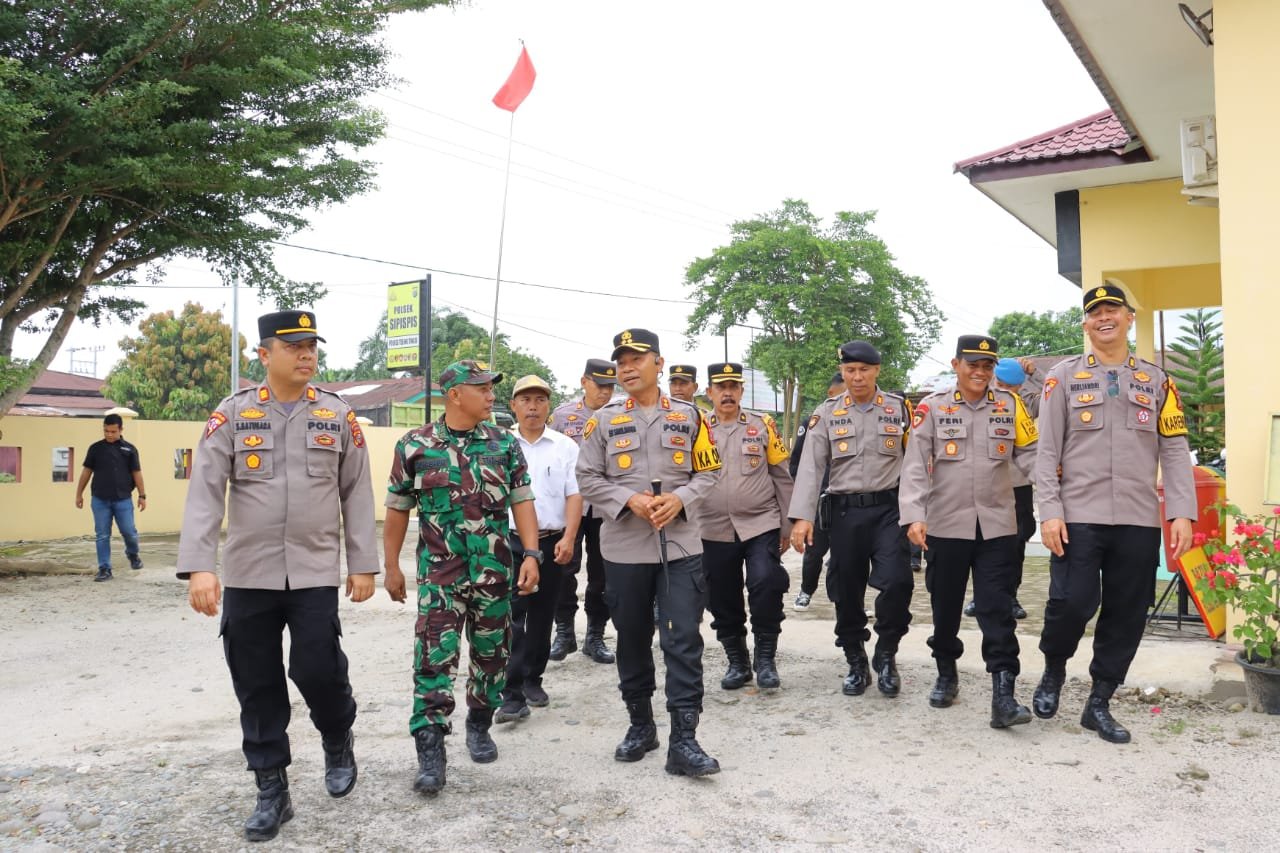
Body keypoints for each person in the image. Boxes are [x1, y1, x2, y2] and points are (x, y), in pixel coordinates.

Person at [177, 310, 377, 843]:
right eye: (293, 346)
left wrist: (362, 563)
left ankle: (337, 733)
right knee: (257, 682)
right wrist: (201, 566)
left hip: (313, 570)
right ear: (265, 355)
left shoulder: (337, 415)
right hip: (250, 573)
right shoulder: (235, 415)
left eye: (311, 345)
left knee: (317, 667)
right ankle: (272, 788)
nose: (307, 353)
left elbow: (357, 491)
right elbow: (205, 492)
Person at [1032, 285, 1196, 744]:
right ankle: (1053, 670)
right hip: (1078, 514)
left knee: (1126, 612)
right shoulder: (1062, 378)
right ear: (1086, 324)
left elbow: (1175, 450)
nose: (1104, 318)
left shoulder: (1157, 381)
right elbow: (1046, 451)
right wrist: (1050, 511)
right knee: (1072, 602)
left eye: (1112, 311)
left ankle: (1099, 702)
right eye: (1095, 313)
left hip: (1138, 518)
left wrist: (1181, 511)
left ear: (1128, 319)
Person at [382, 360, 541, 794]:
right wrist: (392, 566)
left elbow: (522, 501)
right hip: (440, 577)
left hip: (494, 573)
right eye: (483, 388)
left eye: (492, 387)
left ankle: (479, 722)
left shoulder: (503, 444)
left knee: (492, 656)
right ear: (455, 394)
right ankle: (431, 748)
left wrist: (532, 554)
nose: (491, 395)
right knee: (433, 660)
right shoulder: (415, 445)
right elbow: (397, 509)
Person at [576, 328, 723, 776]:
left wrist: (680, 499)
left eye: (636, 358)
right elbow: (586, 478)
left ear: (659, 363)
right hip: (624, 549)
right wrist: (629, 501)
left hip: (680, 545)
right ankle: (641, 725)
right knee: (633, 638)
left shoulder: (691, 417)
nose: (626, 366)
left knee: (682, 640)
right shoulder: (602, 421)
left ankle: (685, 740)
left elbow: (710, 472)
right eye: (620, 360)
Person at [899, 335, 1039, 727]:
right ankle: (946, 672)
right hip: (946, 525)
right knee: (945, 608)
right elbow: (914, 464)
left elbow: (1031, 455)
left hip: (997, 526)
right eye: (972, 364)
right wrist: (914, 515)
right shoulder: (931, 407)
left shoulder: (1009, 405)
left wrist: (1059, 496)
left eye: (987, 366)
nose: (980, 372)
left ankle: (1004, 695)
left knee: (997, 608)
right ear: (956, 364)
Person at [788, 341, 913, 699]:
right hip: (843, 513)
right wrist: (800, 518)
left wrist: (919, 513)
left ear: (877, 371)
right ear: (842, 372)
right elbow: (810, 468)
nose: (856, 377)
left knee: (898, 582)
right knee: (845, 589)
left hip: (889, 510)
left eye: (864, 370)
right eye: (850, 371)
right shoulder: (826, 413)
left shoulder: (898, 410)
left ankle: (886, 654)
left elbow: (917, 462)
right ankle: (856, 658)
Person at [700, 362, 794, 689]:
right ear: (709, 392)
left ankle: (765, 658)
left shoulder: (762, 425)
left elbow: (783, 478)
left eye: (733, 387)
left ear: (741, 391)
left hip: (760, 522)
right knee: (721, 595)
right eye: (720, 388)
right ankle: (737, 661)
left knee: (767, 582)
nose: (727, 393)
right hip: (710, 527)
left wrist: (787, 525)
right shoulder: (696, 427)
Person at [495, 375, 582, 723]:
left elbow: (575, 494)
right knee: (513, 616)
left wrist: (570, 538)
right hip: (510, 542)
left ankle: (533, 678)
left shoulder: (565, 447)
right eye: (525, 399)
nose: (533, 406)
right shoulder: (499, 444)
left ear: (549, 405)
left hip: (552, 541)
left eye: (540, 400)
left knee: (543, 615)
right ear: (513, 405)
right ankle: (511, 691)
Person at [548, 358, 618, 664]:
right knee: (563, 570)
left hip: (606, 509)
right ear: (583, 382)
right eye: (598, 385)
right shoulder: (563, 417)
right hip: (570, 507)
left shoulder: (619, 416)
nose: (604, 392)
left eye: (609, 387)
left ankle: (595, 635)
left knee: (603, 576)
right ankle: (564, 631)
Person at [964, 356, 1042, 620]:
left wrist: (1035, 373)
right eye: (1000, 383)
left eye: (1011, 386)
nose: (1003, 390)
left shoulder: (1026, 402)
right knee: (980, 541)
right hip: (985, 484)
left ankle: (1011, 596)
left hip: (1017, 485)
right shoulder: (978, 400)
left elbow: (1054, 396)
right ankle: (981, 596)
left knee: (1016, 543)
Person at [789, 373, 845, 610]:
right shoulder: (813, 421)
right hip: (820, 500)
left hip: (847, 500)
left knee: (844, 556)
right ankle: (805, 591)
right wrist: (803, 499)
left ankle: (842, 599)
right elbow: (796, 463)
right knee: (814, 552)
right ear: (831, 393)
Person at [76, 413, 147, 581]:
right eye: (106, 431)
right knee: (102, 535)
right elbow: (86, 472)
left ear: (121, 430)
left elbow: (137, 473)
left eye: (113, 431)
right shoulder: (95, 449)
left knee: (129, 532)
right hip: (100, 499)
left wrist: (142, 495)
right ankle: (105, 569)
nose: (109, 434)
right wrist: (79, 494)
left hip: (123, 499)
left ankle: (133, 554)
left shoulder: (129, 450)